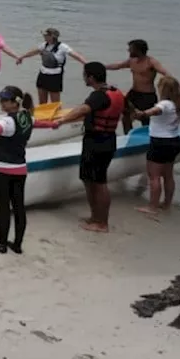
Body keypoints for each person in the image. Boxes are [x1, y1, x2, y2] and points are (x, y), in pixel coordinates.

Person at [0, 86, 60, 253]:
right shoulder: (27, 117)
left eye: (5, 100)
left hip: (1, 170)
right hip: (20, 170)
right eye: (1, 99)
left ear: (15, 102)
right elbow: (39, 123)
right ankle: (17, 245)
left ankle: (2, 244)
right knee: (19, 207)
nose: (2, 103)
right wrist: (53, 124)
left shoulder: (7, 122)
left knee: (3, 208)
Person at [52, 62, 126, 233]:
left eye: (84, 75)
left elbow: (83, 109)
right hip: (107, 140)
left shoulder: (98, 96)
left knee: (99, 182)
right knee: (89, 180)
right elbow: (128, 111)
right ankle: (95, 217)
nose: (83, 78)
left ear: (91, 77)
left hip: (97, 142)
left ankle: (102, 223)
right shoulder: (115, 91)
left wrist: (62, 121)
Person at [131, 75, 180, 215]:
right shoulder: (176, 104)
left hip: (159, 142)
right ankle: (166, 204)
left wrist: (142, 114)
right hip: (173, 141)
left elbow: (154, 111)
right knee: (168, 175)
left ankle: (152, 207)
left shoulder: (164, 104)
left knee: (154, 176)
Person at [104, 39, 170, 131]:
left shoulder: (151, 62)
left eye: (130, 49)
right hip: (134, 93)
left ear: (138, 50)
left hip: (147, 96)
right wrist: (103, 67)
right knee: (126, 117)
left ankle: (148, 139)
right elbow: (118, 66)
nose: (128, 51)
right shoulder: (132, 61)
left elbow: (166, 73)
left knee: (145, 120)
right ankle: (128, 136)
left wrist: (167, 90)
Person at [17, 28, 89, 105]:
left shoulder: (62, 47)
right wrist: (22, 57)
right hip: (43, 75)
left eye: (46, 35)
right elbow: (33, 52)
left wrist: (87, 64)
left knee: (55, 103)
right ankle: (42, 115)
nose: (44, 37)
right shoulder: (44, 45)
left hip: (55, 76)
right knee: (42, 102)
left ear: (52, 36)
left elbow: (76, 56)